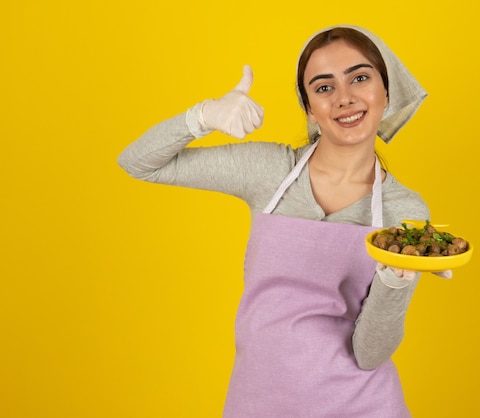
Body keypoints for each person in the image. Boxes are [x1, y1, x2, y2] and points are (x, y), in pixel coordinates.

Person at [119, 24, 451, 418]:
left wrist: (397, 279)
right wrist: (202, 116)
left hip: (361, 406)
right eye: (324, 87)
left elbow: (369, 353)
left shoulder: (404, 211)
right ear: (309, 107)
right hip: (258, 402)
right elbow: (138, 163)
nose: (345, 99)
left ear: (386, 90)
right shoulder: (269, 171)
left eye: (360, 78)